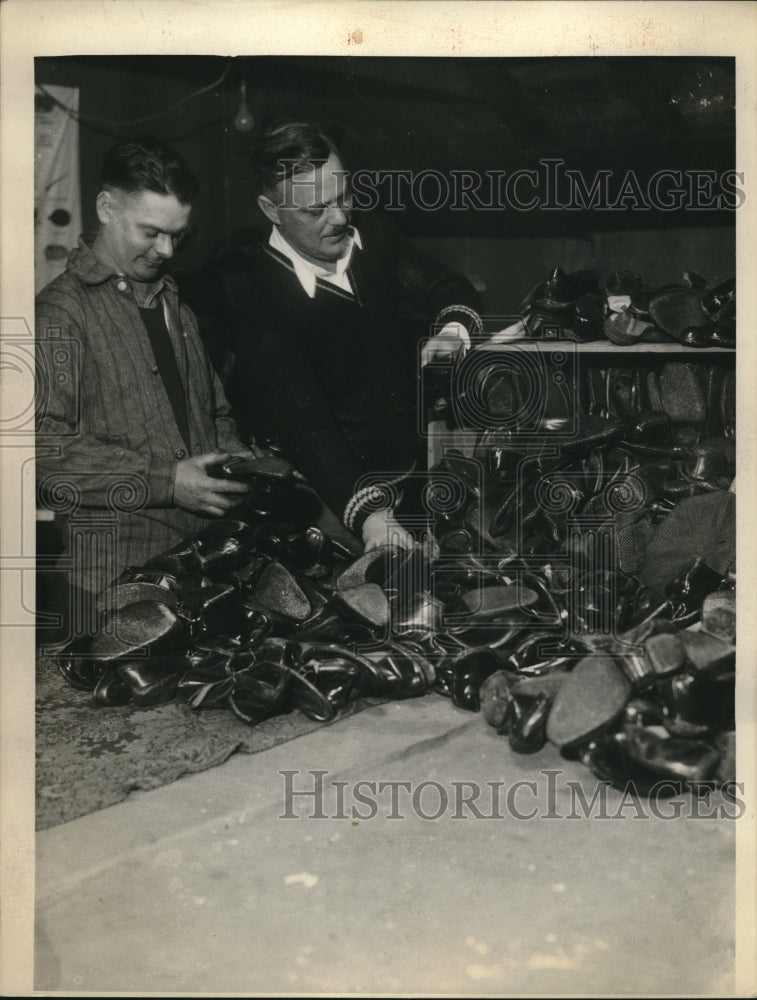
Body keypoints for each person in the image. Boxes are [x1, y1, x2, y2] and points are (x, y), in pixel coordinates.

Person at [221, 120, 484, 554]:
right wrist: (371, 516)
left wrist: (452, 333)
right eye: (315, 210)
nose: (340, 218)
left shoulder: (373, 237)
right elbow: (309, 431)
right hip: (324, 498)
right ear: (271, 211)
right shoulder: (260, 302)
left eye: (344, 197)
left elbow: (448, 288)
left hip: (407, 477)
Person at [35, 137, 255, 637]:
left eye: (178, 235)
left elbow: (214, 413)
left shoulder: (178, 306)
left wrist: (238, 460)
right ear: (106, 208)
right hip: (107, 586)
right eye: (151, 232)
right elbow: (42, 455)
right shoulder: (59, 315)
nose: (167, 250)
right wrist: (168, 480)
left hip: (197, 570)